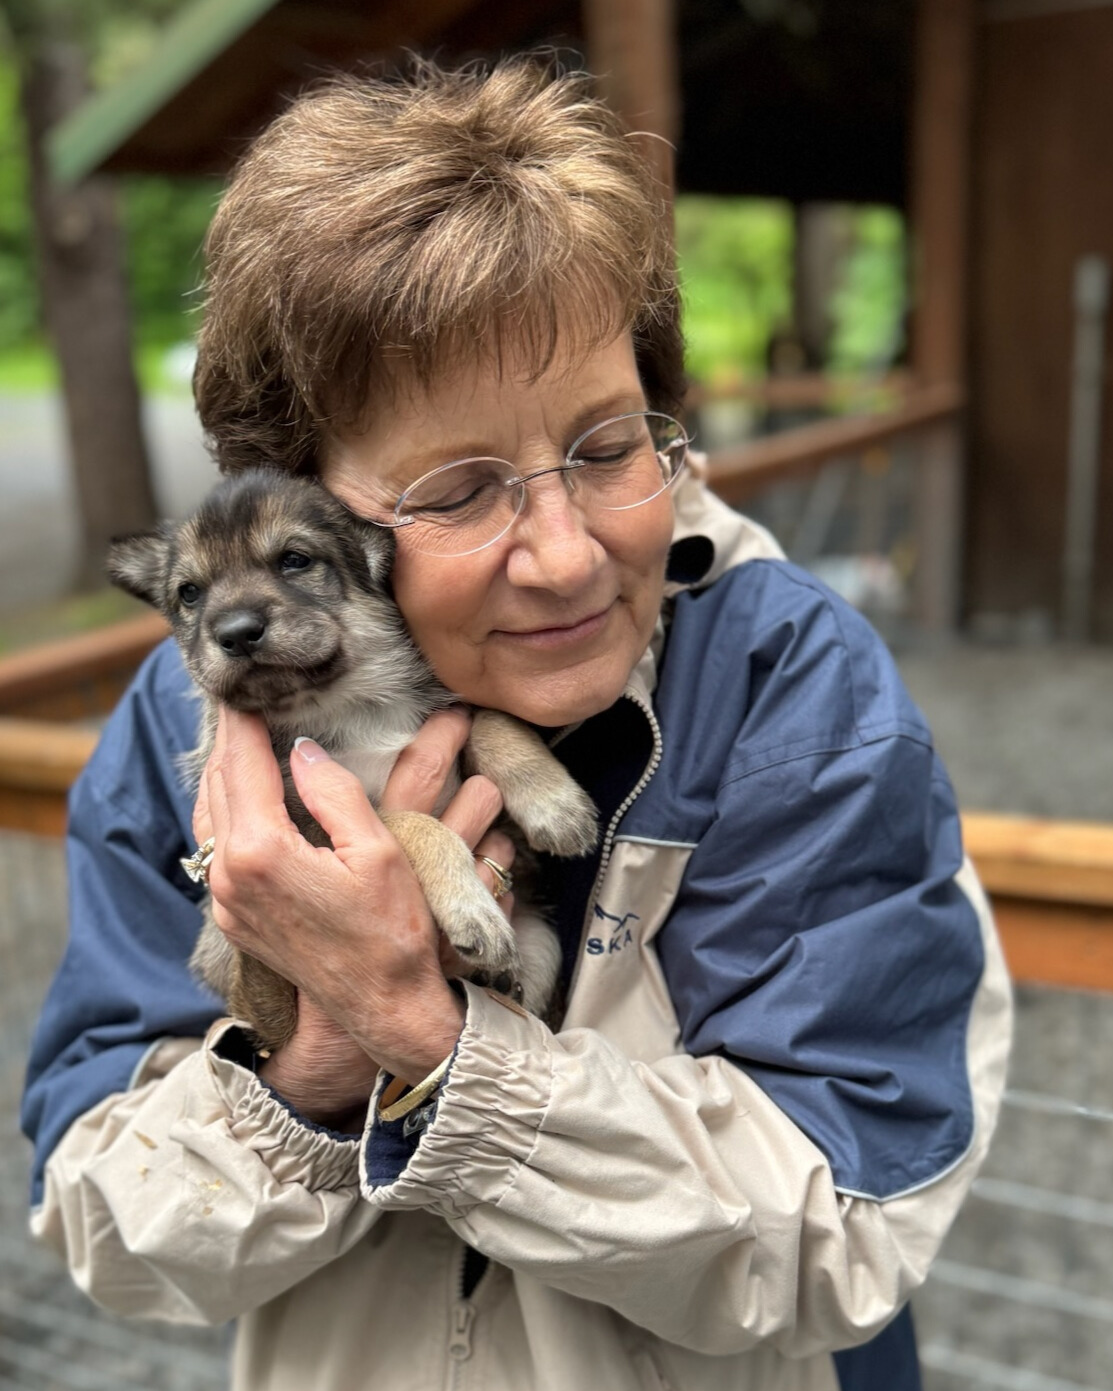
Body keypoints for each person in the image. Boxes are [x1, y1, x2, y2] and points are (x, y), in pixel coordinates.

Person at [22, 57, 1011, 1391]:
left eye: (605, 448)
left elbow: (839, 1227)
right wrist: (312, 1060)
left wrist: (421, 1032)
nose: (559, 555)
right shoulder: (184, 727)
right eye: (458, 487)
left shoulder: (782, 680)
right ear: (308, 504)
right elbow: (108, 1228)